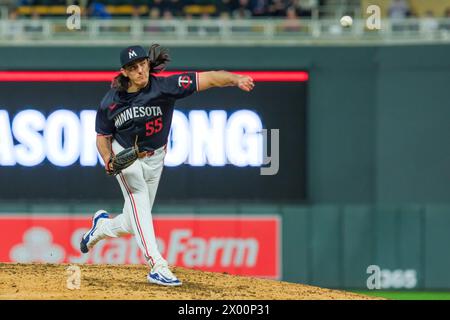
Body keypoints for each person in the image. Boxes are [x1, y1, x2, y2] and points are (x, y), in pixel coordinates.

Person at [79, 44, 255, 286]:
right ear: (124, 72)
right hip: (126, 155)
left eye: (142, 64)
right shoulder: (111, 101)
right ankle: (157, 265)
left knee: (134, 221)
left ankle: (100, 228)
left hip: (156, 157)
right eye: (133, 67)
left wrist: (236, 79)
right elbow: (102, 137)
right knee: (139, 200)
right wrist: (108, 158)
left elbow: (211, 78)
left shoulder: (165, 87)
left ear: (148, 64)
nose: (140, 70)